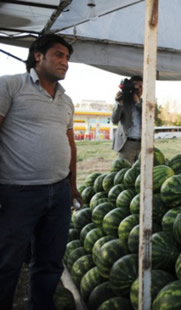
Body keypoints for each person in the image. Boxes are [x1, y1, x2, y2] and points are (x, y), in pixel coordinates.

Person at [0, 34, 82, 309]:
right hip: (18, 192)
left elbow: (70, 144)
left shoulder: (66, 100)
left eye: (68, 57)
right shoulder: (11, 86)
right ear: (38, 56)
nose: (65, 62)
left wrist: (71, 185)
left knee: (49, 263)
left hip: (58, 193)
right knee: (7, 263)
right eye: (59, 55)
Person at [111, 75, 143, 164]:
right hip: (126, 144)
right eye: (137, 86)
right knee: (125, 173)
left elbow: (151, 118)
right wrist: (119, 103)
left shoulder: (145, 103)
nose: (139, 89)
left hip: (142, 145)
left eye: (141, 87)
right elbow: (114, 120)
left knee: (140, 175)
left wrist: (138, 103)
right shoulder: (123, 101)